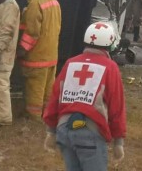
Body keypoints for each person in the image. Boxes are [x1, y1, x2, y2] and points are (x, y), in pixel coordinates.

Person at [43, 21, 126, 170]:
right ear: (110, 44)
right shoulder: (110, 67)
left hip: (64, 130)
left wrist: (51, 131)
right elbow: (116, 106)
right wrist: (118, 141)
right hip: (90, 132)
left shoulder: (70, 63)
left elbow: (55, 98)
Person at [18, 0, 61, 120]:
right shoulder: (54, 2)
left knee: (34, 89)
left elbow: (32, 33)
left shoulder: (35, 4)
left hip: (36, 58)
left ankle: (33, 118)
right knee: (47, 91)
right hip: (51, 56)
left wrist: (22, 50)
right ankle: (46, 116)